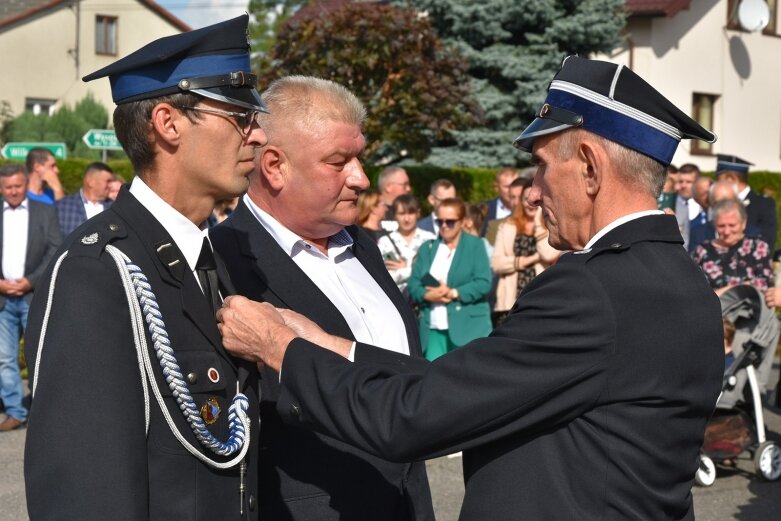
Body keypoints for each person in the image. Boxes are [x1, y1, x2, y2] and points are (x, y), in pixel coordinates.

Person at [217, 56, 725, 520]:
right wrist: (337, 348)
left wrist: (282, 348)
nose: (532, 190)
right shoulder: (683, 280)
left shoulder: (591, 290)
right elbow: (478, 386)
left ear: (590, 166)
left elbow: (416, 416)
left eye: (542, 165)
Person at [23, 15, 264, 520]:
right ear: (168, 123)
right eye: (239, 116)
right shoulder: (95, 271)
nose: (257, 134)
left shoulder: (215, 260)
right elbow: (86, 492)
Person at [209, 75, 434, 521]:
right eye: (338, 162)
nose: (361, 178)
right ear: (274, 165)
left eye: (360, 158)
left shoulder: (363, 245)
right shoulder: (223, 262)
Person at [0, 164, 61, 432]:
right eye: (8, 187)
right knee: (4, 358)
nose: (13, 191)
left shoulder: (45, 211)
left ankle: (45, 412)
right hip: (2, 298)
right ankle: (15, 412)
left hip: (32, 296)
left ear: (25, 184)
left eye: (17, 186)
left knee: (40, 356)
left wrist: (30, 281)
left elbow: (54, 248)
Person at [407, 197, 492, 361]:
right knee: (434, 377)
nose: (444, 226)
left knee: (468, 378)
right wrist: (427, 295)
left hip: (468, 327)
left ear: (461, 222)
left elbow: (483, 282)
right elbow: (413, 283)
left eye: (450, 222)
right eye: (440, 222)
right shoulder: (428, 248)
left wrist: (453, 293)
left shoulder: (475, 245)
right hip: (433, 326)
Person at [491, 177, 559, 324]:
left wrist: (538, 222)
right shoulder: (507, 226)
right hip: (509, 302)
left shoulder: (549, 227)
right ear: (521, 202)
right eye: (525, 199)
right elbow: (497, 264)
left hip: (540, 300)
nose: (530, 204)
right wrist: (532, 259)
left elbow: (548, 254)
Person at [692, 198, 774, 295]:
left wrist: (727, 291)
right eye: (721, 226)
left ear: (743, 223)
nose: (727, 231)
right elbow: (692, 286)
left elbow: (765, 283)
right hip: (712, 309)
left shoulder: (758, 247)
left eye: (732, 225)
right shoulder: (702, 251)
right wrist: (745, 284)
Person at [715, 154, 777, 251]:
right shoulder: (719, 201)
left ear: (731, 179)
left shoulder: (763, 204)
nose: (717, 185)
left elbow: (768, 240)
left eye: (719, 180)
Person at [377, 194, 435, 295]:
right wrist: (415, 269)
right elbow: (388, 277)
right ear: (395, 215)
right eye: (402, 214)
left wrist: (404, 268)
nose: (407, 219)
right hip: (397, 299)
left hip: (427, 298)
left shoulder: (430, 239)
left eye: (411, 213)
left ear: (418, 213)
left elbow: (435, 272)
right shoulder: (385, 242)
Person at [55, 161, 114, 237]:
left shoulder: (114, 208)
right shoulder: (63, 206)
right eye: (108, 181)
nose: (110, 186)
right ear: (91, 182)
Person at [480, 166, 518, 237]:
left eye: (514, 185)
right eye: (507, 187)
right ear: (497, 187)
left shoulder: (529, 209)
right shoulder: (484, 209)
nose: (511, 191)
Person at [674, 163, 701, 250]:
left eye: (689, 182)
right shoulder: (671, 205)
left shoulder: (705, 207)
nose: (683, 186)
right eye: (681, 181)